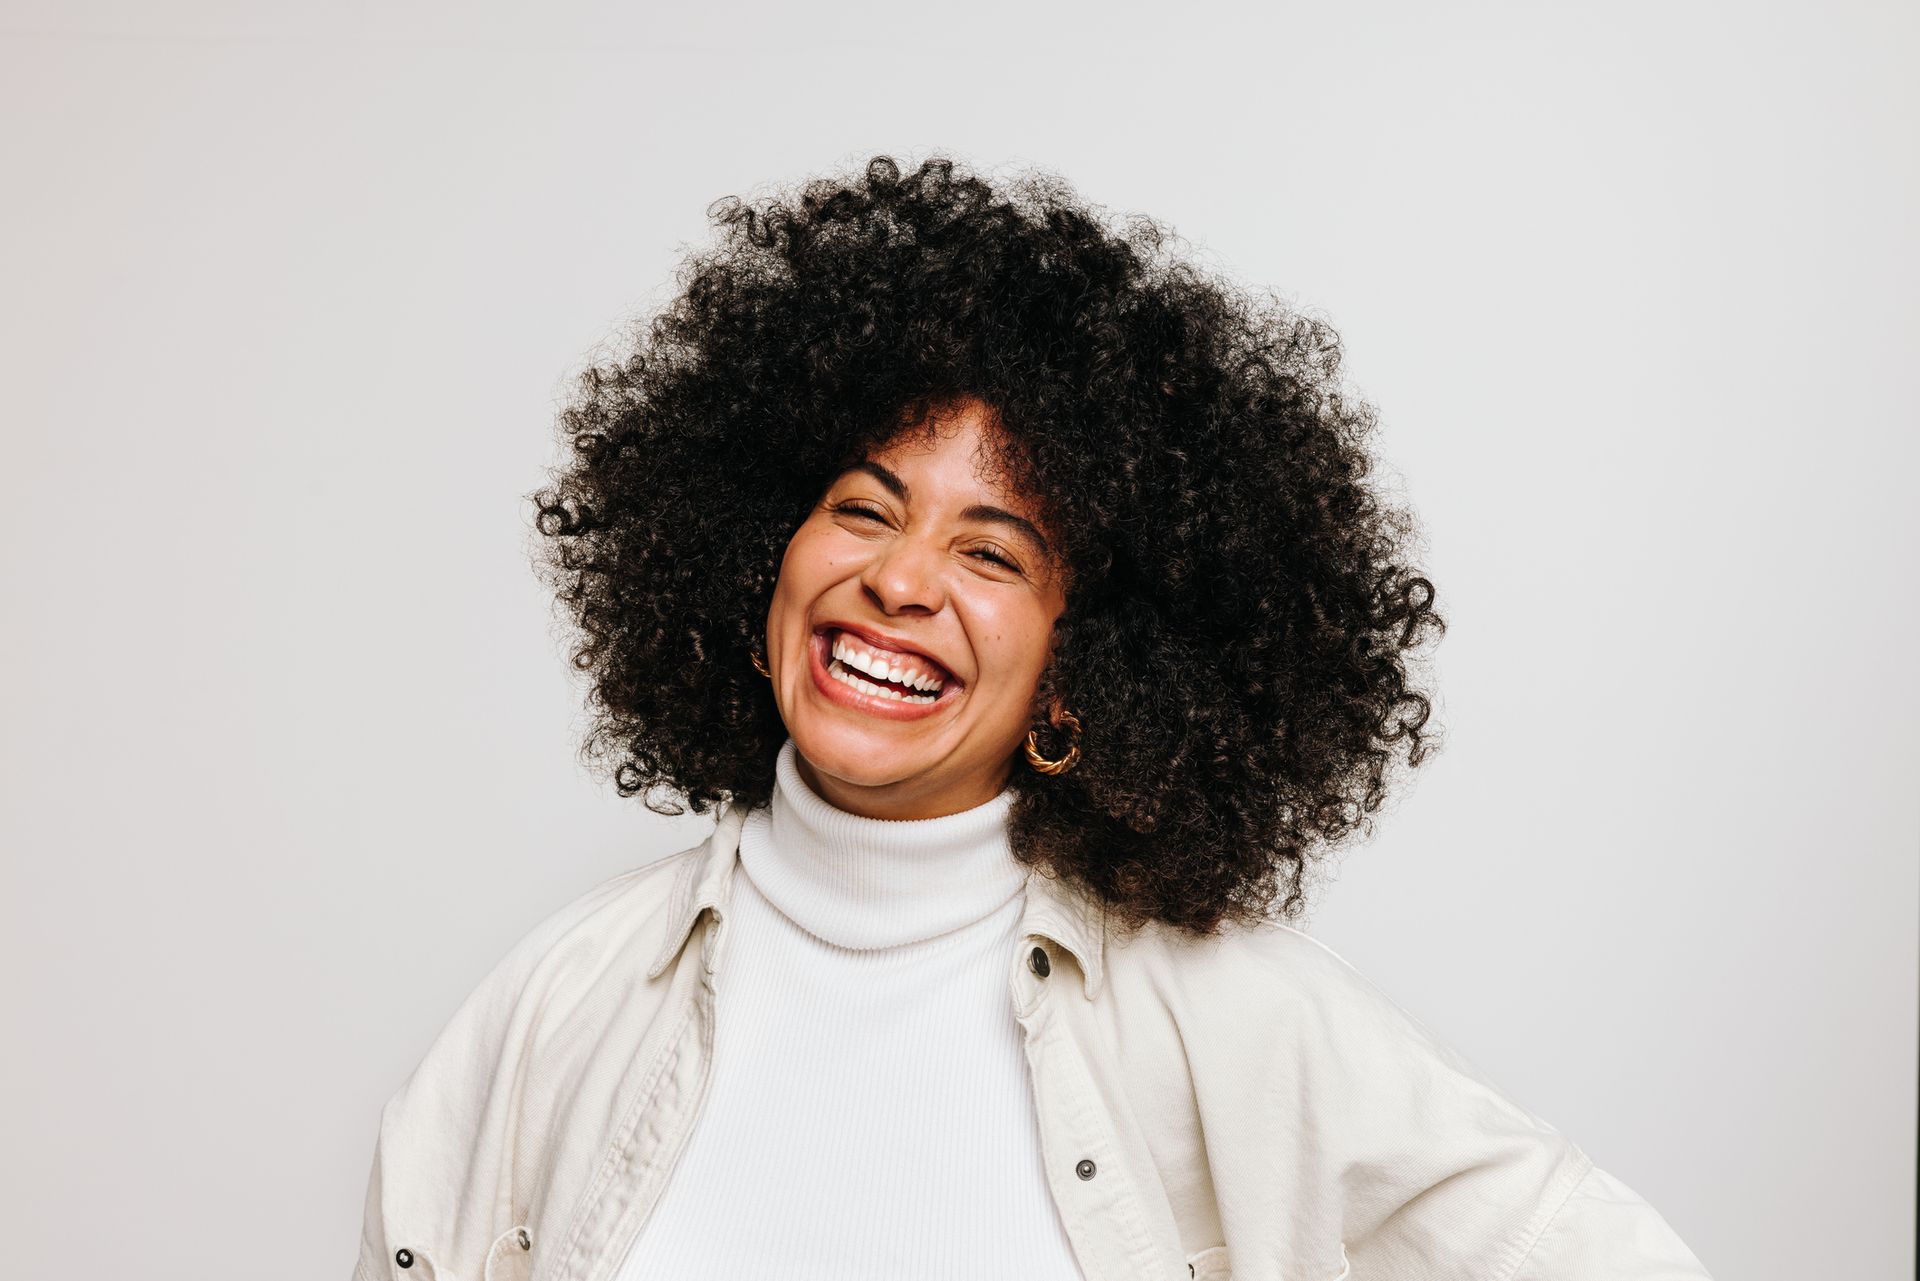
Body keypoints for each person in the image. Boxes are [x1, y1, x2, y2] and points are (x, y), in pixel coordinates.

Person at [350, 155, 1714, 1281]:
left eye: (991, 554)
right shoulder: (555, 1012)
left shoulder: (1232, 1025)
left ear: (1083, 668)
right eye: (864, 508)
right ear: (761, 553)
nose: (898, 577)